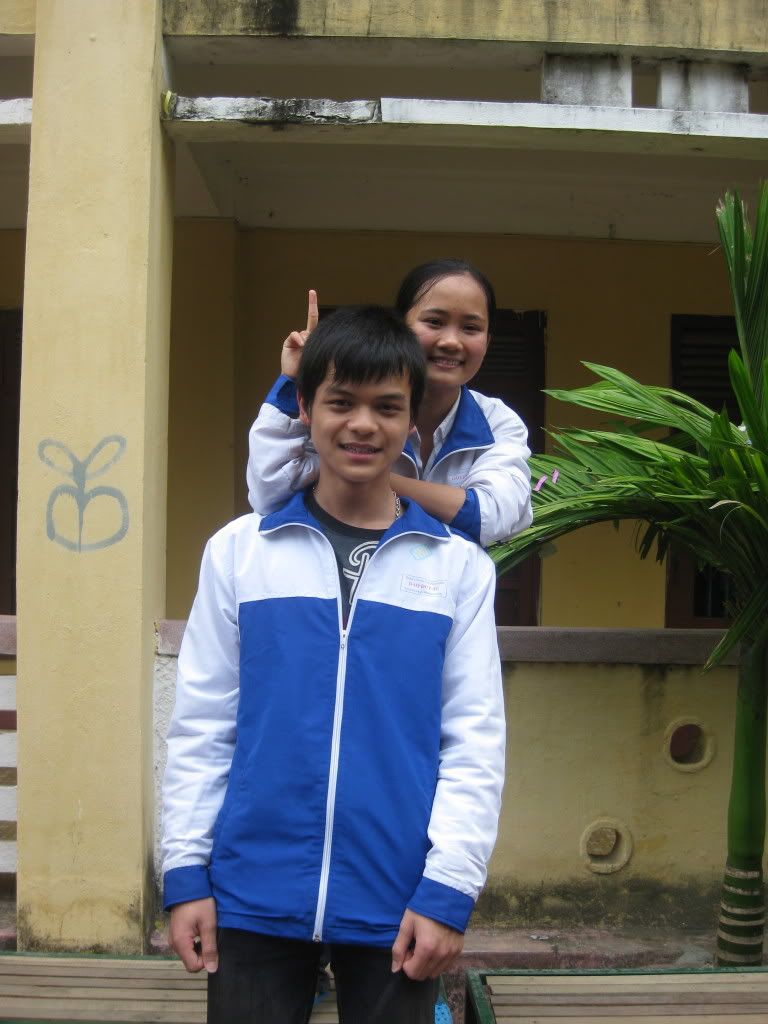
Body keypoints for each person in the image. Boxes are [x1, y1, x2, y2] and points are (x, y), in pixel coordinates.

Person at [162, 306, 506, 1024]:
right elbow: (203, 724)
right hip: (251, 889)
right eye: (341, 402)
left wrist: (448, 889)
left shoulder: (458, 569)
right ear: (305, 409)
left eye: (387, 407)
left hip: (398, 895)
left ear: (411, 423)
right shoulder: (240, 552)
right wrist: (185, 870)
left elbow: (473, 740)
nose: (362, 425)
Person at [246, 258, 532, 547]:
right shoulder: (339, 409)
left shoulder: (496, 421)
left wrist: (359, 474)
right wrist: (295, 377)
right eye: (434, 322)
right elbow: (269, 490)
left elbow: (492, 518)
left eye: (470, 328)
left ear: (488, 341)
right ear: (400, 327)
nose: (451, 341)